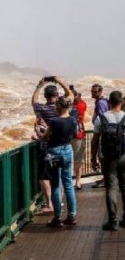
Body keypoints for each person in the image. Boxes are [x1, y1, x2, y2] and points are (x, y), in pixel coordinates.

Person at [90, 91, 125, 231]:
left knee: (111, 188)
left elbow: (94, 141)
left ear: (109, 102)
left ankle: (113, 221)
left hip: (107, 158)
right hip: (124, 156)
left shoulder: (101, 118)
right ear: (121, 103)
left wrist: (93, 159)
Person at [31, 76, 74, 214]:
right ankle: (64, 206)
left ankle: (50, 204)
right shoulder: (65, 109)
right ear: (57, 95)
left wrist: (39, 85)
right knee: (64, 180)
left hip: (48, 149)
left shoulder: (41, 109)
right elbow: (70, 94)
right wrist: (59, 80)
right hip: (66, 148)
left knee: (45, 177)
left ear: (46, 96)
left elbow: (34, 101)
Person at [38, 96, 78, 227]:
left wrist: (38, 132)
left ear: (59, 106)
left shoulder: (54, 121)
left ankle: (57, 217)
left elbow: (44, 138)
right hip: (67, 150)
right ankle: (71, 215)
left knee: (55, 184)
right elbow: (74, 134)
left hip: (54, 152)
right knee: (68, 184)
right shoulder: (73, 120)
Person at [91, 83, 110, 188]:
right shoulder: (100, 102)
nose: (92, 93)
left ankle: (106, 179)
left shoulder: (101, 103)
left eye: (94, 91)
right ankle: (105, 178)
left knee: (102, 157)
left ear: (100, 92)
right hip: (102, 134)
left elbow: (103, 119)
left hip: (102, 134)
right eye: (92, 91)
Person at [70, 88, 87, 190]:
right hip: (78, 135)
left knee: (75, 160)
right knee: (78, 160)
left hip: (70, 136)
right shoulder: (81, 105)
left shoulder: (66, 107)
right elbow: (82, 101)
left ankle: (75, 180)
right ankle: (78, 181)